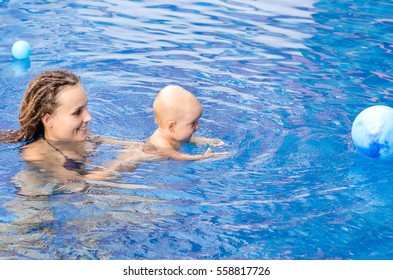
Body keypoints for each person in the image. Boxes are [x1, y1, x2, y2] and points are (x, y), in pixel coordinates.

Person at [0, 70, 135, 195]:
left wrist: (146, 148)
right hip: (40, 204)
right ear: (48, 120)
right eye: (77, 112)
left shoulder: (80, 136)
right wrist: (121, 163)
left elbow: (125, 145)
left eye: (86, 107)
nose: (88, 117)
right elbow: (76, 185)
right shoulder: (39, 154)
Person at [105, 85, 229, 172]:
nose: (198, 126)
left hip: (150, 150)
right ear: (172, 126)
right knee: (118, 169)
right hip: (139, 158)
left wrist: (209, 141)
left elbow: (190, 140)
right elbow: (178, 157)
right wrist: (201, 157)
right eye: (192, 123)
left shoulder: (177, 134)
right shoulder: (162, 144)